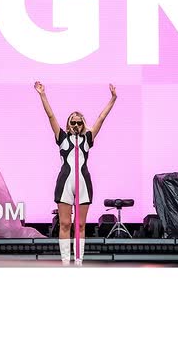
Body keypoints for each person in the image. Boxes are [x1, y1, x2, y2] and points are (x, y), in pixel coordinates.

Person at [34, 81, 117, 265]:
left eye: (80, 122)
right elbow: (50, 115)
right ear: (68, 123)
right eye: (73, 122)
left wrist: (113, 99)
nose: (76, 125)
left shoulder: (88, 138)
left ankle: (78, 262)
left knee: (80, 225)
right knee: (65, 224)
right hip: (65, 183)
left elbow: (101, 118)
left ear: (83, 124)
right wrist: (42, 94)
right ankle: (65, 262)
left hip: (84, 183)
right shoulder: (62, 137)